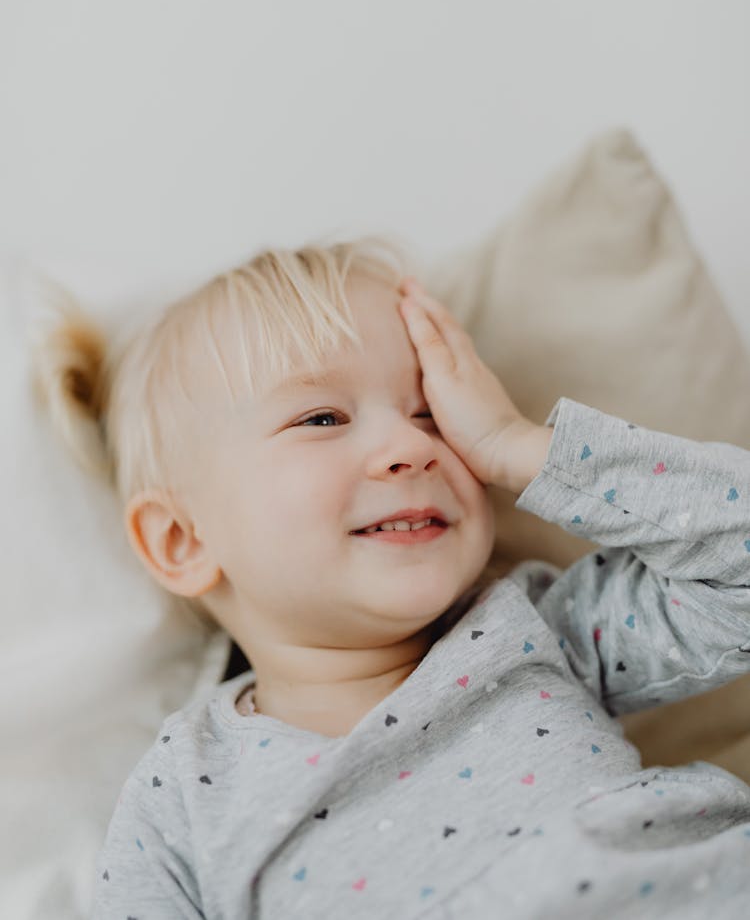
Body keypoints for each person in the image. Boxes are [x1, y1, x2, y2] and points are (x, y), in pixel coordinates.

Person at [33, 237, 750, 919]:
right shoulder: (184, 791)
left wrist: (519, 446)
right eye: (321, 417)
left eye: (433, 413)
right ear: (183, 539)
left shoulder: (538, 627)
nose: (411, 445)